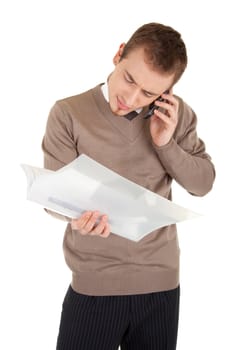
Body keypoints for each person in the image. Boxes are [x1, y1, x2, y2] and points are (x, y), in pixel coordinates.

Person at [42, 22, 215, 350]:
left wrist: (166, 144)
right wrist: (74, 217)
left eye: (148, 93)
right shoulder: (68, 113)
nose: (131, 98)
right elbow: (54, 199)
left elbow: (202, 184)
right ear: (118, 54)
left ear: (166, 93)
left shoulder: (176, 117)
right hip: (94, 286)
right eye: (129, 79)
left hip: (160, 286)